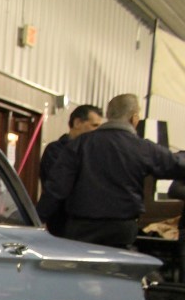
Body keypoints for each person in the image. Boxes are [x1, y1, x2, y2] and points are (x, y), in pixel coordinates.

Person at [36, 93, 185, 249]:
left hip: (81, 228)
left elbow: (56, 188)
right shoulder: (142, 148)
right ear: (134, 118)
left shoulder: (79, 144)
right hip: (121, 230)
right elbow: (175, 165)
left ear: (108, 115)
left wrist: (35, 219)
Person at [38, 104, 102, 236]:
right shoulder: (55, 151)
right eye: (94, 125)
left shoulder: (93, 153)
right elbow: (56, 187)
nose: (97, 132)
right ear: (77, 123)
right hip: (61, 223)